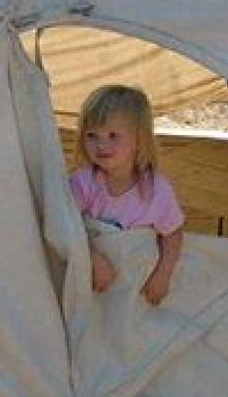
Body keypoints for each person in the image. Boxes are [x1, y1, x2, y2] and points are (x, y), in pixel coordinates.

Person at [69, 85, 184, 306]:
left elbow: (173, 233)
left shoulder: (156, 190)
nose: (102, 145)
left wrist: (163, 274)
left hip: (135, 282)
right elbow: (66, 226)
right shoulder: (83, 183)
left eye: (113, 136)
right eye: (92, 135)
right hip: (96, 277)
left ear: (138, 140)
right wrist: (90, 258)